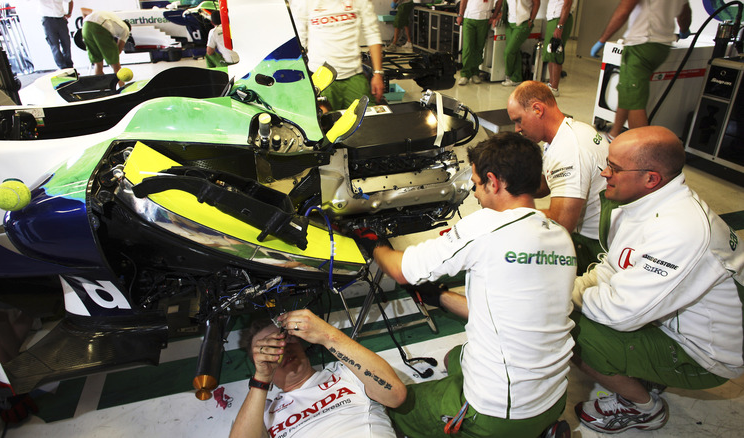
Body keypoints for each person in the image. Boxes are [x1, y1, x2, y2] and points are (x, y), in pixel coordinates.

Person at [369, 132, 577, 437]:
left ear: (494, 182)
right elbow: (503, 310)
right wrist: (438, 297)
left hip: (499, 414)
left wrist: (372, 242)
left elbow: (402, 270)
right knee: (456, 356)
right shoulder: (559, 234)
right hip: (554, 398)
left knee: (396, 409)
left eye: (478, 184)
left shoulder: (486, 224)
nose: (476, 195)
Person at [571, 126, 744, 434]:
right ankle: (645, 370)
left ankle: (643, 408)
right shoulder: (642, 202)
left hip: (706, 353)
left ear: (651, 178)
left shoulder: (681, 229)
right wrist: (572, 290)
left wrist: (561, 300)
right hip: (672, 321)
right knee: (575, 304)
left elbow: (621, 314)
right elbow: (613, 266)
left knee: (570, 330)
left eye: (615, 168)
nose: (604, 172)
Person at [229, 309, 406, 438]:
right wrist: (261, 379)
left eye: (284, 339)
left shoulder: (346, 371)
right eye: (269, 349)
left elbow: (395, 395)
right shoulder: (263, 412)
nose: (282, 350)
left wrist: (327, 335)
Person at [507, 81, 608, 275]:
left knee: (511, 259)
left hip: (590, 247)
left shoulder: (569, 150)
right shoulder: (568, 132)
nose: (517, 129)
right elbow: (546, 184)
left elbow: (561, 224)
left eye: (518, 120)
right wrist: (508, 186)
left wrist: (506, 214)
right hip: (591, 235)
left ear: (537, 109)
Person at [590, 0, 691, 139]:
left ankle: (639, 148)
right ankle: (614, 133)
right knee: (627, 88)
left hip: (642, 43)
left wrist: (602, 40)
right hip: (662, 46)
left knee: (635, 101)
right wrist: (684, 30)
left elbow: (623, 11)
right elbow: (685, 12)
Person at [291, 0, 385, 111]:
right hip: (321, 76)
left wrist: (378, 73)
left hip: (354, 75)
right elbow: (298, 39)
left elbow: (372, 33)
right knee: (324, 125)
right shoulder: (303, 2)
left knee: (368, 122)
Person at [490, 0, 540, 86]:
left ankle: (508, 75)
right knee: (515, 51)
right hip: (510, 23)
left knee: (509, 52)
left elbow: (537, 3)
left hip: (523, 22)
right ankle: (517, 78)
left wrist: (531, 20)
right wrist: (498, 16)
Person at [81, 9, 131, 86]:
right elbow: (118, 51)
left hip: (85, 26)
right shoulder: (126, 30)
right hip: (100, 27)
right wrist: (110, 56)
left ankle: (101, 89)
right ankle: (123, 88)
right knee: (116, 65)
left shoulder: (114, 19)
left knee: (98, 63)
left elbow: (84, 10)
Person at [455, 0, 493, 86]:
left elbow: (499, 2)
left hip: (484, 19)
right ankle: (465, 74)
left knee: (479, 47)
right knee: (468, 47)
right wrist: (460, 15)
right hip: (469, 17)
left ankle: (475, 72)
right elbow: (463, 1)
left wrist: (494, 16)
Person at [542, 0, 573, 96]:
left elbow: (567, 4)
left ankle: (554, 87)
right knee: (551, 52)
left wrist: (560, 26)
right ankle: (551, 84)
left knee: (556, 53)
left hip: (560, 20)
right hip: (553, 18)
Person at [37, 0, 74, 70]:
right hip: (48, 21)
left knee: (66, 44)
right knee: (54, 46)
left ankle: (70, 68)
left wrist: (69, 13)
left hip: (61, 20)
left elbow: (70, 1)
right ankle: (63, 68)